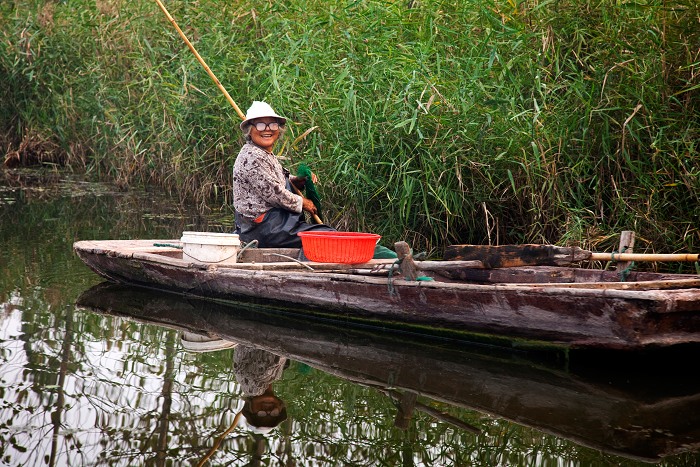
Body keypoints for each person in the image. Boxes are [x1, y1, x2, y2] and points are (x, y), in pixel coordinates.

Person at [232, 101, 335, 248]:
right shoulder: (252, 156)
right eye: (260, 125)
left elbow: (274, 179)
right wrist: (303, 202)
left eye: (272, 125)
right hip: (264, 229)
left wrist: (297, 180)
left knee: (325, 234)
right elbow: (274, 193)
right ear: (250, 130)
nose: (267, 129)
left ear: (278, 129)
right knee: (327, 236)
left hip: (275, 226)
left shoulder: (264, 153)